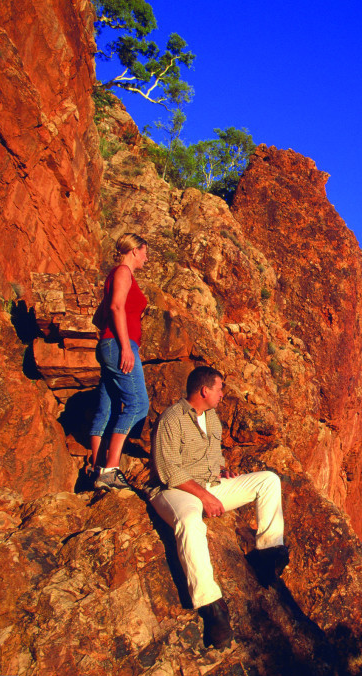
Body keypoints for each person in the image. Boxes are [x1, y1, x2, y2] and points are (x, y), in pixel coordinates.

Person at [150, 366, 288, 649]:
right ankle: (211, 607)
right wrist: (204, 497)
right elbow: (167, 470)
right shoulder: (172, 418)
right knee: (189, 521)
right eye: (219, 388)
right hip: (176, 490)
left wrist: (223, 472)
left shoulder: (211, 418)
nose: (222, 394)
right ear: (204, 390)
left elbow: (215, 457)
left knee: (269, 481)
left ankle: (266, 554)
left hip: (209, 485)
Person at [89, 234, 151, 490]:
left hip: (109, 344)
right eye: (145, 252)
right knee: (137, 404)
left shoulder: (117, 274)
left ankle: (97, 467)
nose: (146, 258)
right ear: (135, 250)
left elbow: (103, 314)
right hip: (118, 344)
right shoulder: (124, 272)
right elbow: (115, 308)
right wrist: (126, 347)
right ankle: (111, 469)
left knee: (109, 405)